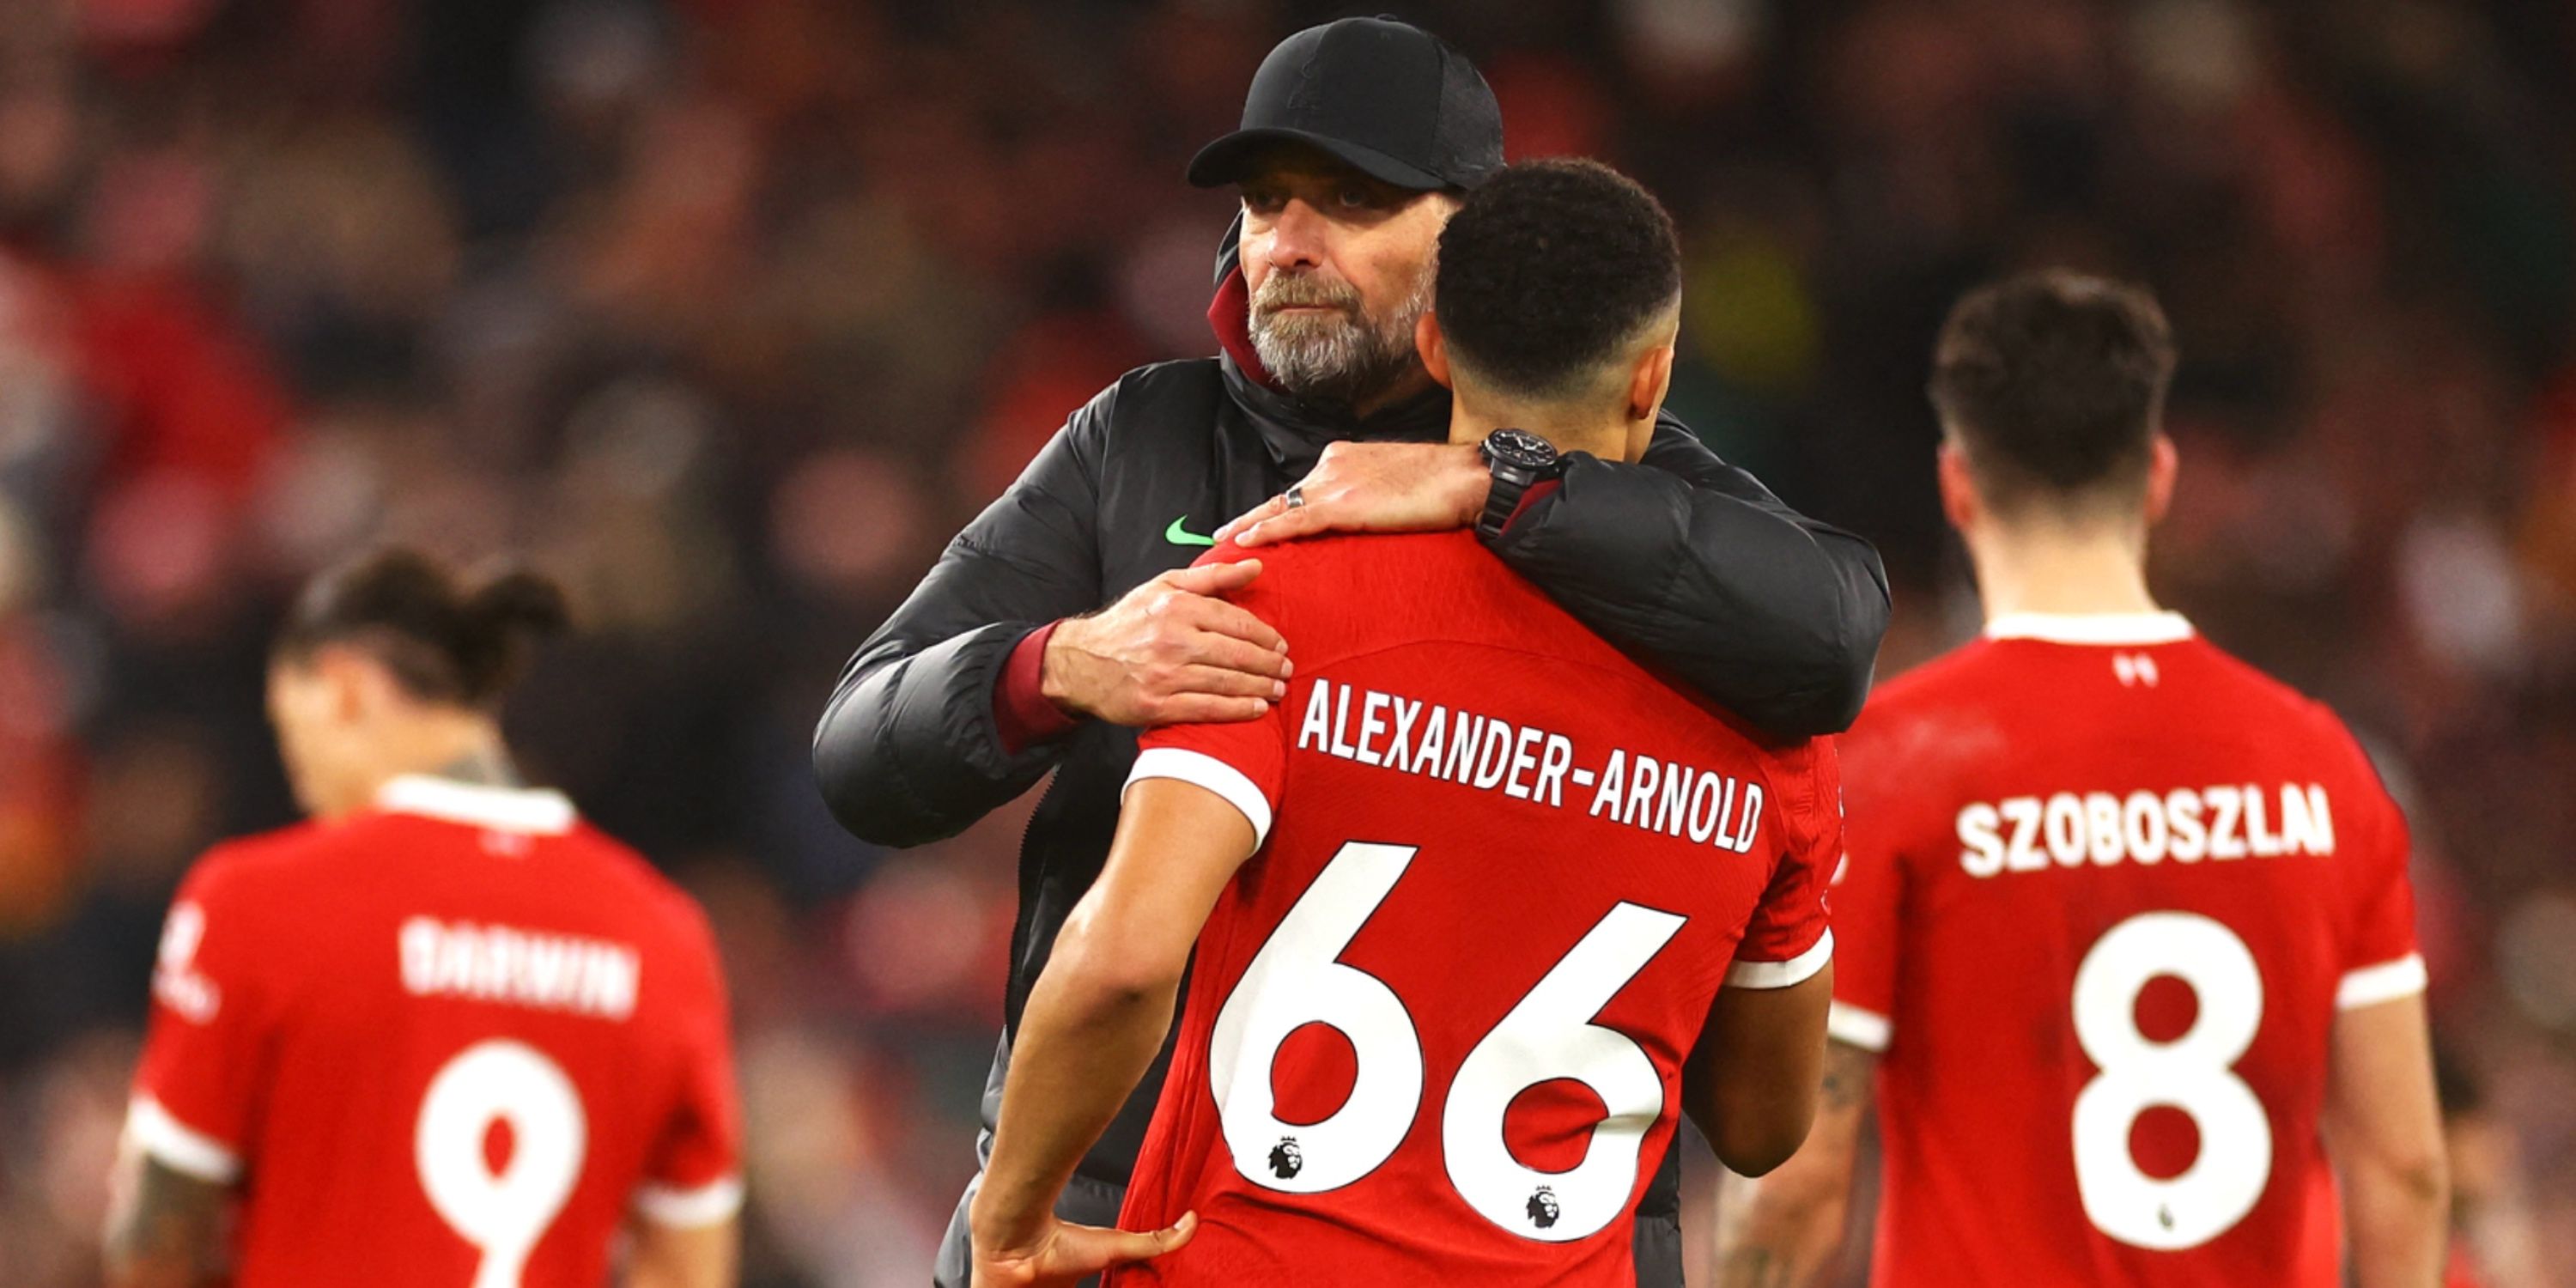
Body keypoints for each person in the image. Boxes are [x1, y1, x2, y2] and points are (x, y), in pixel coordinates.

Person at [810, 19, 1886, 1285]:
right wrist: (1054, 664)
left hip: (1492, 1228)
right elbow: (857, 752)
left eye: (1355, 201)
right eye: (1267, 200)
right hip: (1121, 1194)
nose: (1290, 241)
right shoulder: (1146, 435)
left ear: (1471, 245)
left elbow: (1834, 627)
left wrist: (1499, 483)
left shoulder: (1613, 478)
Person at [1711, 272, 2449, 1287]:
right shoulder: (2326, 766)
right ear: (2158, 477)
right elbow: (2404, 1170)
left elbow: (1797, 1178)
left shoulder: (1895, 762)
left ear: (1957, 486)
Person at [105, 550, 742, 1288]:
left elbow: (156, 1243)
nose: (307, 790)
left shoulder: (254, 898)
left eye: (292, 740)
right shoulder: (662, 930)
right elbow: (687, 1267)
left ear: (343, 689)